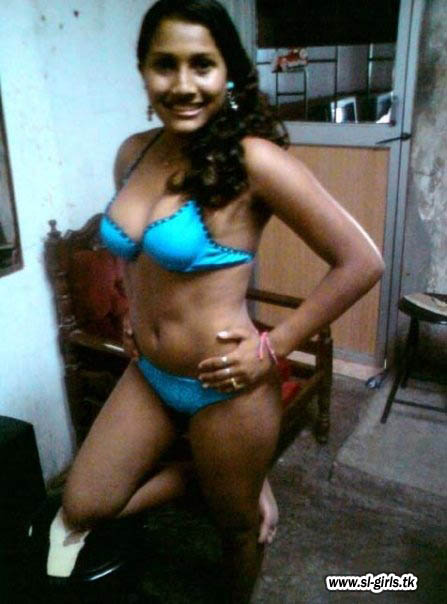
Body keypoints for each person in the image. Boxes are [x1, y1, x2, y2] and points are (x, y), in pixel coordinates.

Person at [45, 1, 384, 601]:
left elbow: (361, 261)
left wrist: (275, 346)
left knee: (237, 532)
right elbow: (135, 249)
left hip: (227, 384)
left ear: (227, 72)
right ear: (144, 71)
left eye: (202, 64)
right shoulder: (133, 152)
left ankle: (239, 497)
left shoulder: (254, 161)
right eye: (165, 65)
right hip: (149, 373)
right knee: (84, 502)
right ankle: (227, 477)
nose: (183, 84)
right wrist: (130, 311)